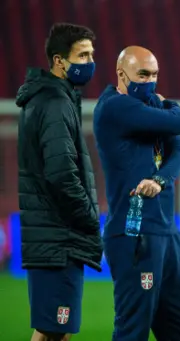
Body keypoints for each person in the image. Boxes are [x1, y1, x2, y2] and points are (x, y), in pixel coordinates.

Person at [93, 46, 180, 341]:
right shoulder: (114, 106)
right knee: (132, 331)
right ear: (121, 74)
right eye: (143, 74)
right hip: (133, 234)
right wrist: (169, 105)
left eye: (155, 74)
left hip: (166, 233)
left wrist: (161, 179)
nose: (151, 81)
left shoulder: (150, 107)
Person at [16, 23, 102, 341]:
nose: (90, 62)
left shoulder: (51, 98)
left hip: (53, 237)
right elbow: (61, 173)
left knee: (56, 331)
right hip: (58, 238)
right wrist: (88, 217)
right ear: (59, 61)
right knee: (51, 331)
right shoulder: (54, 103)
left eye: (91, 54)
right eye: (82, 55)